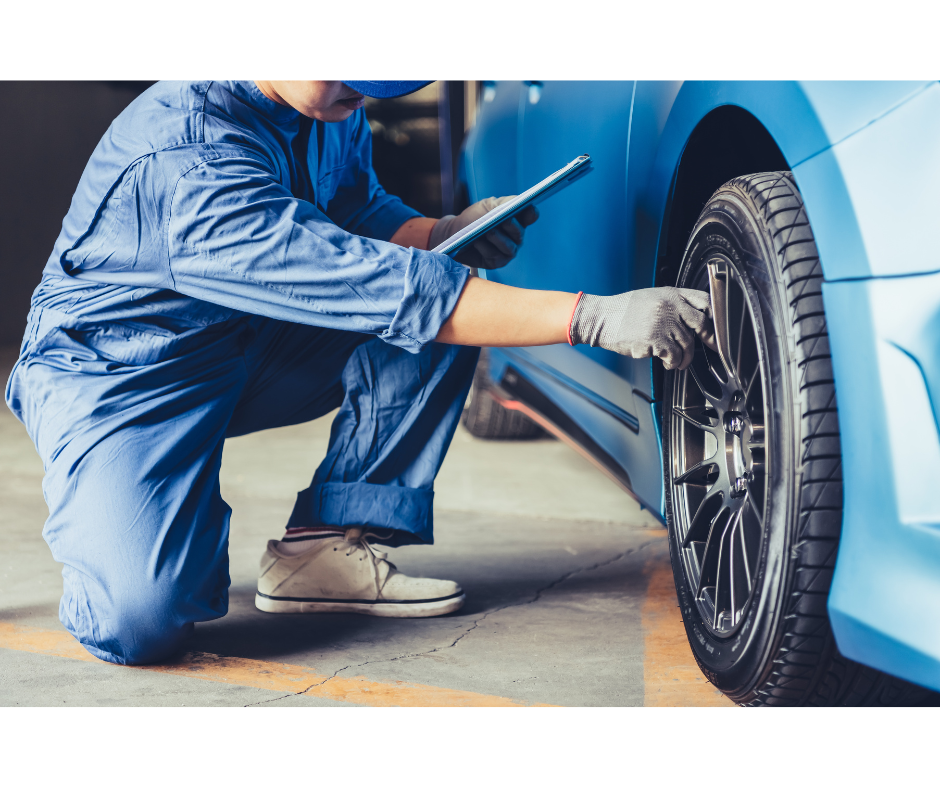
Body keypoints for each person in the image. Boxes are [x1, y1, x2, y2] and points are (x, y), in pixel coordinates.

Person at [4, 81, 714, 666]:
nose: (358, 92)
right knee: (141, 623)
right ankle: (101, 515)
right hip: (123, 376)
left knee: (440, 278)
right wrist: (590, 317)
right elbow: (382, 289)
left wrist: (443, 232)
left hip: (245, 341)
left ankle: (325, 549)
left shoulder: (325, 104)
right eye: (348, 74)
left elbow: (356, 212)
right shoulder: (188, 161)